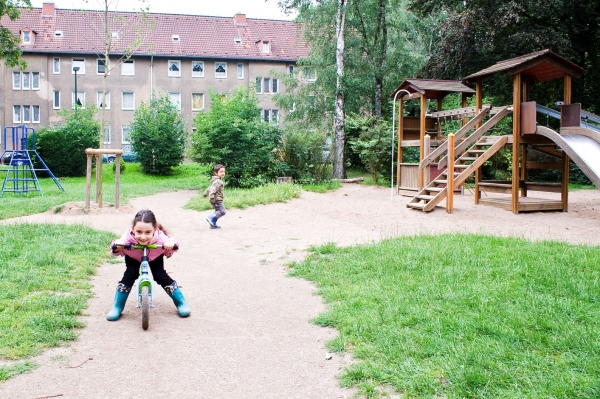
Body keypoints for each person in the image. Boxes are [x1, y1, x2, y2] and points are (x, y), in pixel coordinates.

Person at [106, 209, 191, 321]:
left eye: (147, 232)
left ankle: (180, 302)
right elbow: (116, 246)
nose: (143, 237)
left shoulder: (160, 237)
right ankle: (117, 306)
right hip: (133, 256)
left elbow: (174, 243)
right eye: (139, 232)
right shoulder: (128, 237)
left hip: (154, 257)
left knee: (160, 275)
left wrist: (170, 244)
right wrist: (117, 246)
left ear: (155, 230)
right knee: (130, 274)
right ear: (133, 229)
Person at [203, 164, 226, 229]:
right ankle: (210, 218)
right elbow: (212, 190)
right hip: (216, 199)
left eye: (224, 172)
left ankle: (213, 224)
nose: (223, 173)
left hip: (215, 199)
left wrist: (205, 194)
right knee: (222, 211)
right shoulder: (218, 181)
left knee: (217, 211)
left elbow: (209, 188)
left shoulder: (215, 180)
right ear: (216, 173)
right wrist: (212, 198)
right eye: (221, 172)